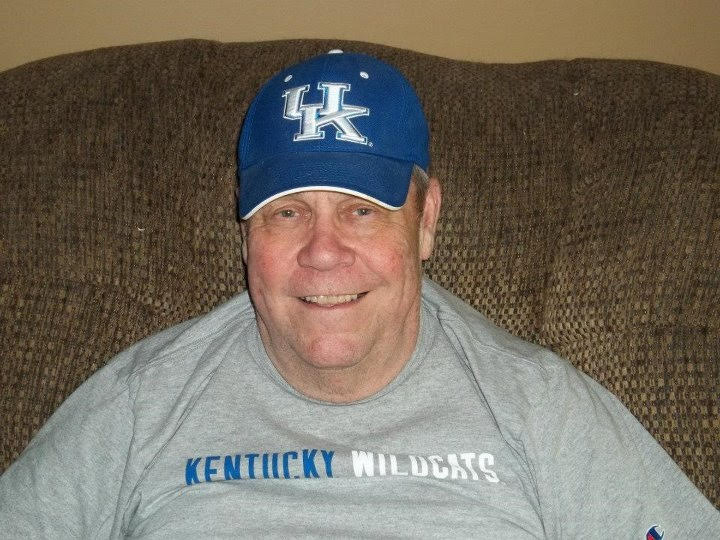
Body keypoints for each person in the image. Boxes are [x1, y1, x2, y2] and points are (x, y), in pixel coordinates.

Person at [0, 49, 718, 538]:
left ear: (426, 221)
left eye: (362, 210)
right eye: (287, 212)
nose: (323, 251)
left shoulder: (541, 409)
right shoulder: (140, 403)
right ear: (245, 232)